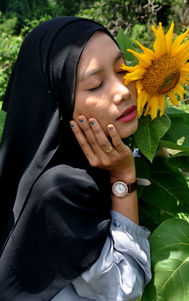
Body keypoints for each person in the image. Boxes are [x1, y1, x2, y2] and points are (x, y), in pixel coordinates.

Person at [0, 16, 151, 300]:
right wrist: (123, 179)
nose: (122, 91)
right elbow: (124, 288)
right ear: (61, 105)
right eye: (96, 85)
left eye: (122, 70)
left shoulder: (45, 168)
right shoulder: (63, 188)